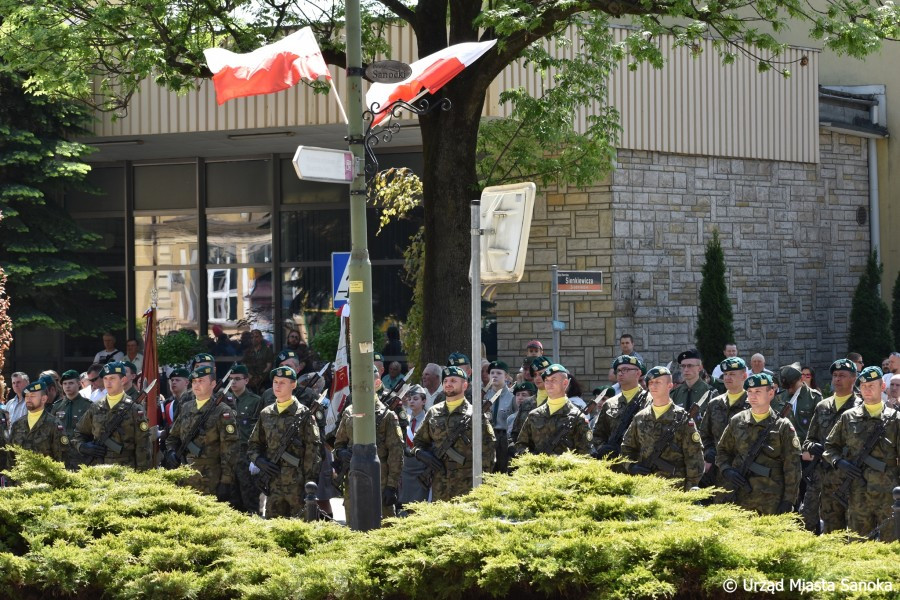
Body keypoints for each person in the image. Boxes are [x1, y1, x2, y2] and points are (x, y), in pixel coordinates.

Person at [823, 366, 900, 539]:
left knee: (892, 546)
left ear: (882, 387)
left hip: (887, 495)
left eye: (872, 385)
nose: (867, 389)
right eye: (864, 386)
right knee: (858, 545)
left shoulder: (895, 419)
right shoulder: (848, 417)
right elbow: (829, 447)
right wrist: (839, 462)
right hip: (858, 494)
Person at [715, 372, 801, 515]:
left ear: (771, 393)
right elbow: (722, 451)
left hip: (771, 499)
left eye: (758, 391)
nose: (752, 396)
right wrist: (727, 470)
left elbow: (793, 467)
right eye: (749, 391)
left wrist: (789, 500)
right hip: (739, 496)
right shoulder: (737, 421)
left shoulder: (783, 426)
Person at [247, 366, 322, 519]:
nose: (277, 386)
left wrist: (309, 484)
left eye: (282, 382)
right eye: (275, 382)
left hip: (298, 485)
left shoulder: (304, 415)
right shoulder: (266, 413)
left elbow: (312, 453)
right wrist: (260, 461)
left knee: (300, 531)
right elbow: (253, 445)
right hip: (273, 484)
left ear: (293, 385)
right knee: (274, 531)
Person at [412, 366, 495, 501]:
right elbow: (418, 442)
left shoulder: (475, 415)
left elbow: (488, 451)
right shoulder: (433, 412)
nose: (448, 384)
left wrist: (483, 484)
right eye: (445, 381)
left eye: (453, 381)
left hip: (467, 485)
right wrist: (420, 453)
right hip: (439, 483)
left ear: (465, 385)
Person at [333, 367, 404, 517]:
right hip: (354, 479)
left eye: (364, 382)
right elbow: (339, 443)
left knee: (384, 529)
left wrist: (391, 486)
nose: (359, 385)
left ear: (377, 383)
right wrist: (341, 453)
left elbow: (396, 453)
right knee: (354, 525)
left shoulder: (387, 416)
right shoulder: (348, 412)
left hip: (380, 481)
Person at [800, 358, 860, 534]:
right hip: (823, 476)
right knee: (828, 527)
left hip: (848, 477)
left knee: (854, 529)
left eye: (842, 375)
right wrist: (813, 447)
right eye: (835, 375)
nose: (837, 379)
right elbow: (808, 440)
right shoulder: (822, 406)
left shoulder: (860, 407)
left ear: (854, 379)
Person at [163, 366, 240, 501]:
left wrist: (226, 481)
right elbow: (173, 437)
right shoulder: (187, 407)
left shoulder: (222, 411)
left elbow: (230, 450)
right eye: (194, 381)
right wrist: (171, 452)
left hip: (210, 477)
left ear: (213, 384)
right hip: (185, 474)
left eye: (201, 381)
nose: (196, 385)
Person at [621, 366, 704, 490]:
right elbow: (627, 448)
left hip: (674, 488)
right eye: (651, 382)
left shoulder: (682, 419)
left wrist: (691, 490)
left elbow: (694, 457)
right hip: (645, 486)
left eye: (658, 382)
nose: (653, 386)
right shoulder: (640, 417)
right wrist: (631, 467)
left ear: (670, 386)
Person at [73, 362, 152, 470]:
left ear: (123, 380)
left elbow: (143, 445)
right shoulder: (95, 407)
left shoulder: (134, 409)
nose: (108, 383)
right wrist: (83, 446)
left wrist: (143, 474)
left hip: (125, 470)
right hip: (98, 469)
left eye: (112, 378)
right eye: (105, 379)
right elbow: (79, 432)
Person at [513, 364, 592, 456]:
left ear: (565, 383)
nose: (549, 384)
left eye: (553, 380)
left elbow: (586, 453)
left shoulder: (578, 417)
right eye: (546, 380)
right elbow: (521, 444)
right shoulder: (534, 415)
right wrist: (534, 460)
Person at [698, 357, 750, 490]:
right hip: (718, 472)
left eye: (732, 374)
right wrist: (708, 450)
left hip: (745, 473)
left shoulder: (752, 405)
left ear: (744, 376)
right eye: (725, 374)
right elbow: (703, 434)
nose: (727, 378)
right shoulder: (714, 404)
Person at [223, 364, 263, 513]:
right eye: (230, 379)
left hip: (246, 456)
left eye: (237, 379)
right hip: (228, 456)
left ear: (246, 380)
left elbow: (260, 431)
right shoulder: (223, 400)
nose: (233, 382)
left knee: (250, 500)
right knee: (231, 502)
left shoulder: (255, 401)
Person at [594, 355, 650, 458]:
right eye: (618, 370)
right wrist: (603, 448)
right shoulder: (609, 403)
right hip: (614, 463)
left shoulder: (651, 401)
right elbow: (598, 434)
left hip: (639, 464)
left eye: (626, 369)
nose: (620, 373)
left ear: (638, 373)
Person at [8, 379, 66, 465]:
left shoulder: (54, 425)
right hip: (19, 477)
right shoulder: (17, 424)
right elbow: (10, 456)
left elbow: (62, 458)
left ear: (43, 399)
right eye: (27, 396)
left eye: (33, 396)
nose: (28, 399)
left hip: (44, 477)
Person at [52, 370, 92, 470]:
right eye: (64, 384)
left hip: (81, 454)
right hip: (61, 454)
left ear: (78, 384)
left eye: (71, 383)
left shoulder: (88, 405)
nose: (67, 386)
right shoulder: (57, 406)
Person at [399, 385, 430, 505]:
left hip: (421, 470)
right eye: (410, 398)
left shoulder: (429, 420)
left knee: (419, 505)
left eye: (415, 399)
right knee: (404, 506)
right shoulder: (404, 420)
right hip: (405, 469)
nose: (411, 401)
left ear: (424, 401)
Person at [485, 361, 515, 472]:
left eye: (499, 373)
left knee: (504, 471)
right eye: (492, 373)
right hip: (488, 438)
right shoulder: (484, 396)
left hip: (504, 439)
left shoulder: (512, 397)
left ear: (506, 376)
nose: (495, 375)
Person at [670, 349, 712, 421]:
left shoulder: (710, 393)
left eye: (690, 366)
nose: (686, 369)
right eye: (683, 366)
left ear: (700, 368)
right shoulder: (675, 393)